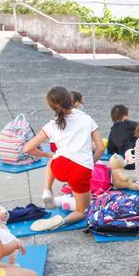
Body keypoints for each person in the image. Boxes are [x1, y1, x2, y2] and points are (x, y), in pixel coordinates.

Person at [25, 86, 104, 229]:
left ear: (52, 106)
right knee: (83, 211)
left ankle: (47, 189)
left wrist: (48, 154)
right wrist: (90, 164)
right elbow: (101, 148)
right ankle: (62, 222)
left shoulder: (52, 124)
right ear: (70, 99)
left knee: (54, 157)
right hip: (80, 171)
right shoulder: (86, 119)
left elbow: (28, 148)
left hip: (59, 168)